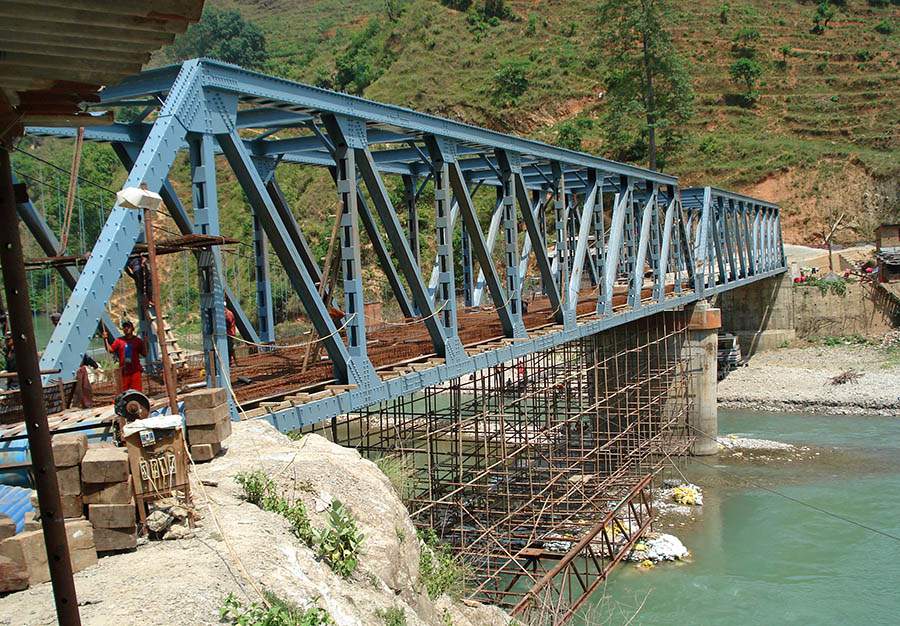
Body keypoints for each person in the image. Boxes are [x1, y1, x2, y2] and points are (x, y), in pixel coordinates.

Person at [103, 320, 146, 392]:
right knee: (124, 392)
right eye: (124, 327)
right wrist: (105, 340)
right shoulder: (119, 341)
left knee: (137, 391)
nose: (126, 328)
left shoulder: (138, 341)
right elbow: (110, 350)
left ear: (132, 328)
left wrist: (146, 342)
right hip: (124, 371)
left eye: (128, 327)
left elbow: (144, 354)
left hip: (135, 371)